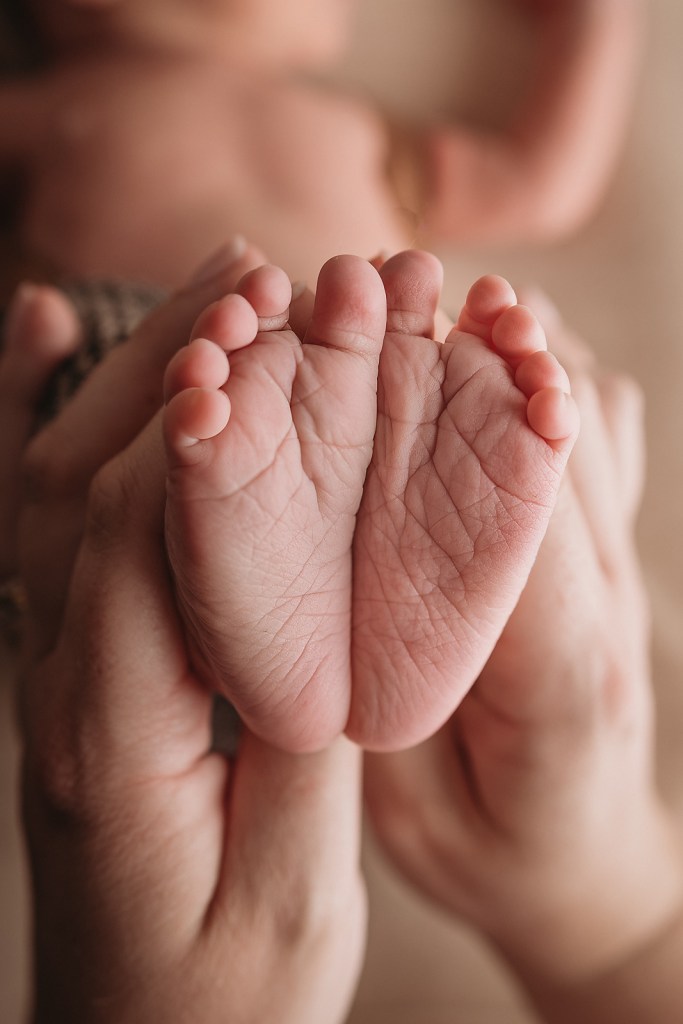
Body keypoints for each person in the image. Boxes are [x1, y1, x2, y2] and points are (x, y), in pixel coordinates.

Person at [6, 244, 683, 1023]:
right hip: (397, 420)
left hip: (187, 387)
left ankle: (269, 554)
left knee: (109, 423)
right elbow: (529, 176)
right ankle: (331, 535)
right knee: (526, 431)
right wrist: (617, 919)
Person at [161, 248, 578, 752]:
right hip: (345, 358)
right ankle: (223, 640)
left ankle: (216, 642)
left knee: (204, 410)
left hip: (207, 325)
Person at [0, 0, 643, 295]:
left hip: (380, 401)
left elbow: (535, 188)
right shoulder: (63, 103)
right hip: (151, 387)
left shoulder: (362, 130)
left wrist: (596, 21)